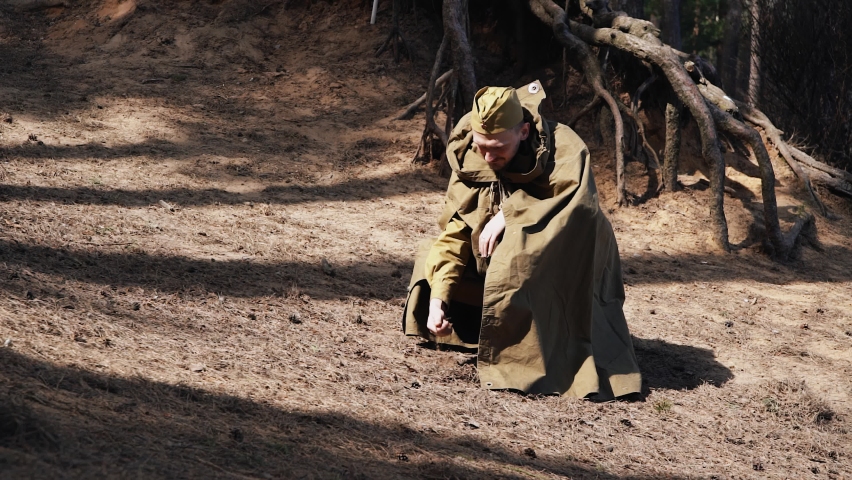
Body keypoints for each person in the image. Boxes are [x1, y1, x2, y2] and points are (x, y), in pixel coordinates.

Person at [402, 81, 642, 399]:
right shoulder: (470, 159)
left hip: (565, 255)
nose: (487, 157)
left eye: (498, 148)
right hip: (497, 255)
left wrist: (508, 215)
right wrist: (438, 301)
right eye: (480, 145)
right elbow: (456, 234)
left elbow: (576, 213)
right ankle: (481, 329)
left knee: (518, 263)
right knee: (430, 259)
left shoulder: (565, 150)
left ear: (524, 132)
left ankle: (542, 349)